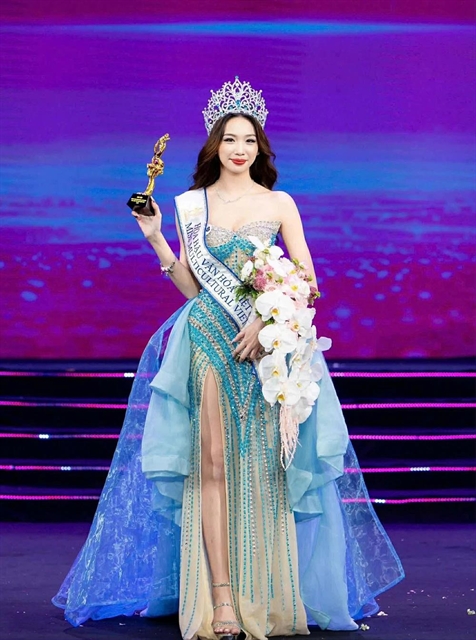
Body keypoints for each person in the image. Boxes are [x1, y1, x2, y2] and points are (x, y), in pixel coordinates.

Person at [53, 78, 404, 640]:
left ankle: (265, 592)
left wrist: (265, 320)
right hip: (207, 339)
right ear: (214, 144)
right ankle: (219, 600)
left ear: (260, 146)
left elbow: (307, 281)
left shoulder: (279, 203)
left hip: (265, 348)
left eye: (248, 139)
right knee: (212, 466)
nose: (239, 148)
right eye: (230, 138)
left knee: (264, 468)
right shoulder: (190, 205)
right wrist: (156, 239)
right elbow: (195, 289)